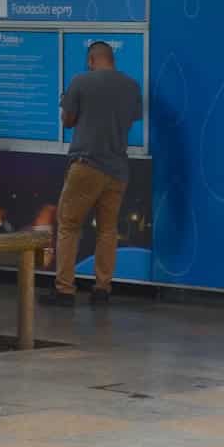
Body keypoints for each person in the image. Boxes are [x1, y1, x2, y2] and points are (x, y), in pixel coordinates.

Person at [44, 41, 143, 307]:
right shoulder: (132, 86)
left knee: (68, 225)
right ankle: (102, 289)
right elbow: (131, 120)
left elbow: (68, 121)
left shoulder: (80, 82)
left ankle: (65, 290)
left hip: (87, 166)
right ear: (112, 59)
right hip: (118, 169)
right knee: (108, 230)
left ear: (91, 60)